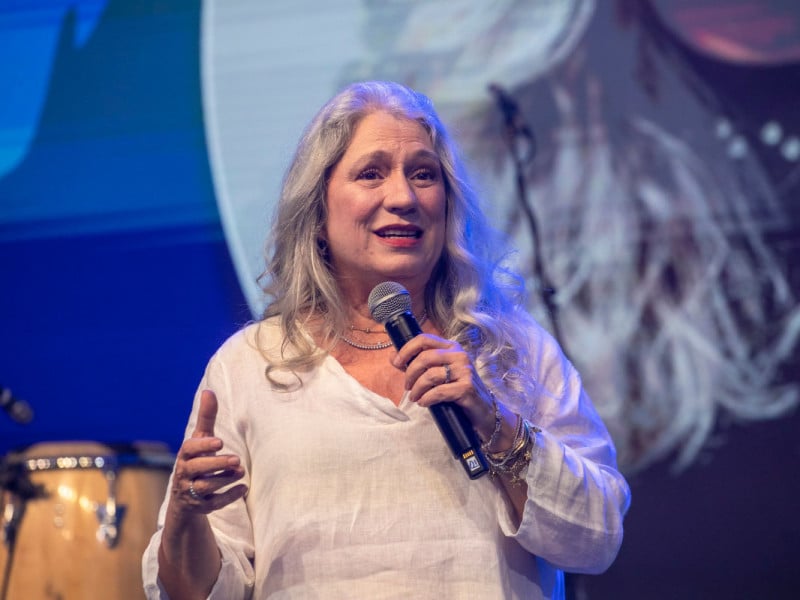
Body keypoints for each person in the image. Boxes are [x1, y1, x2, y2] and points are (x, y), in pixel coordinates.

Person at [141, 80, 631, 599]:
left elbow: (596, 537)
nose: (403, 197)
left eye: (423, 174)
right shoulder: (251, 366)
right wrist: (183, 518)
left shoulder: (512, 349)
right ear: (319, 210)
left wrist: (494, 422)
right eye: (371, 173)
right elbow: (195, 592)